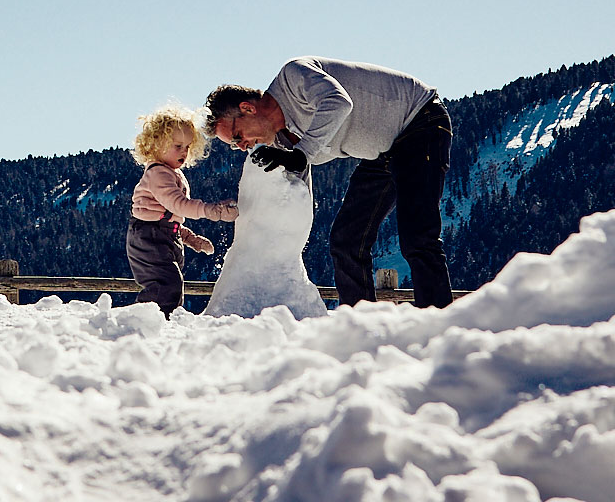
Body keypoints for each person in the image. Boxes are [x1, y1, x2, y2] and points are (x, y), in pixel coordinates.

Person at [206, 58, 454, 308]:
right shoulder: (283, 143)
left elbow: (338, 102)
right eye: (233, 144)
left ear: (248, 108)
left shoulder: (294, 77)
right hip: (384, 152)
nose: (240, 146)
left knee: (418, 236)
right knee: (346, 240)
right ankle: (361, 326)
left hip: (421, 123)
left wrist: (301, 154)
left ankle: (438, 325)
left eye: (237, 136)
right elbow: (298, 188)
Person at [125, 103, 235, 314]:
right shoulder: (158, 173)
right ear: (156, 144)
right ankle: (148, 320)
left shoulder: (172, 173)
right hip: (149, 236)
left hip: (162, 234)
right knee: (167, 285)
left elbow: (170, 216)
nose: (184, 151)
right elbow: (177, 205)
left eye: (187, 147)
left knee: (169, 284)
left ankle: (155, 319)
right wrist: (212, 211)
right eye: (178, 146)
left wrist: (189, 237)